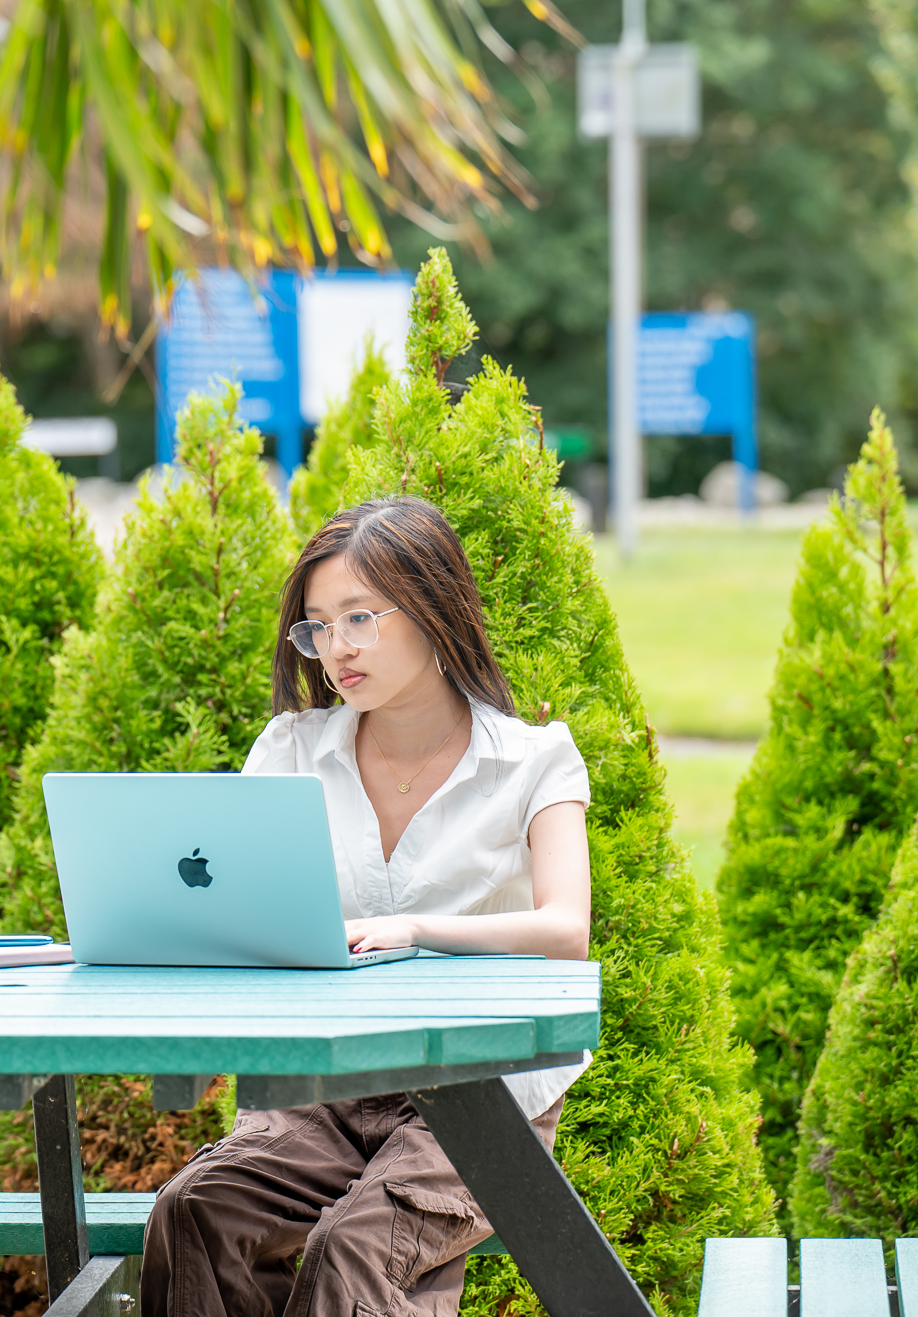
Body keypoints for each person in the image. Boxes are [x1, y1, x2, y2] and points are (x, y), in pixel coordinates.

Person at [141, 496, 593, 1317]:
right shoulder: (291, 751)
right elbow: (234, 909)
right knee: (195, 1213)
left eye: (359, 617)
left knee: (354, 1248)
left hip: (479, 1091)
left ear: (432, 607)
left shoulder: (533, 761)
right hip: (326, 1086)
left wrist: (415, 930)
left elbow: (567, 928)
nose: (335, 649)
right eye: (316, 627)